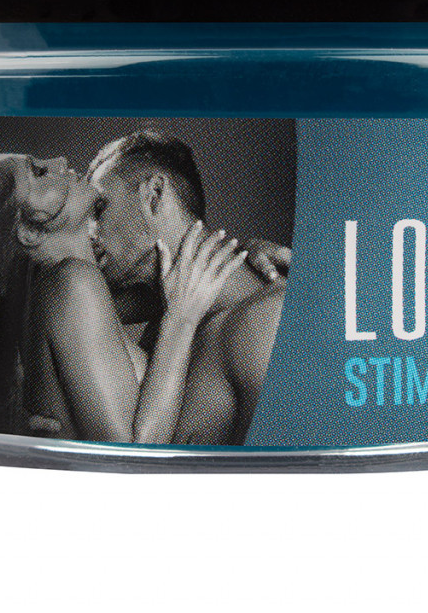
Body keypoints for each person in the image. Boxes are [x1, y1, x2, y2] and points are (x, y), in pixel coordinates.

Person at [0, 144, 246, 444]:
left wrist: (252, 253)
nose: (60, 159)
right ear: (28, 232)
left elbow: (186, 285)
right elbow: (134, 454)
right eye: (39, 172)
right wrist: (181, 321)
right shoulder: (71, 283)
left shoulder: (65, 292)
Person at [88, 131, 286, 444]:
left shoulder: (266, 322)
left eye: (99, 209)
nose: (88, 232)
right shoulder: (168, 325)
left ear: (154, 195)